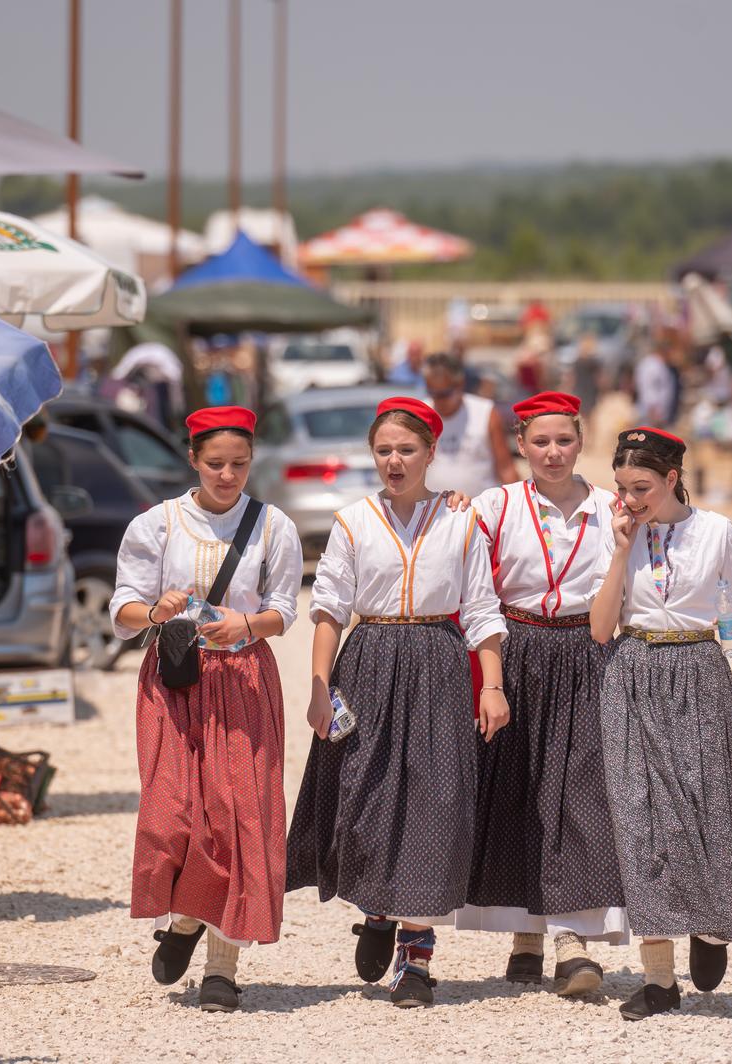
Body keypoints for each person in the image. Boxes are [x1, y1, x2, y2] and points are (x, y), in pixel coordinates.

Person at [285, 396, 509, 1009]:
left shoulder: (461, 520)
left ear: (432, 454)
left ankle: (416, 956)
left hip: (438, 660)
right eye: (383, 449)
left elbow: (483, 608)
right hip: (371, 660)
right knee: (368, 795)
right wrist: (318, 685)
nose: (394, 461)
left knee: (435, 801)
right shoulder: (353, 520)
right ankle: (378, 908)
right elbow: (329, 606)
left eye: (407, 449)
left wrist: (491, 684)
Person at [108, 406, 301, 1014]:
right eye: (215, 464)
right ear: (192, 459)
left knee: (236, 816)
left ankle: (223, 963)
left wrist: (248, 622)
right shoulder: (155, 524)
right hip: (176, 677)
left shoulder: (274, 527)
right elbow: (121, 612)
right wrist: (158, 612)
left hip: (242, 678)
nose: (227, 476)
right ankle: (187, 916)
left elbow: (284, 610)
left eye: (239, 465)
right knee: (173, 815)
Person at [589, 426, 732, 1020]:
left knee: (707, 808)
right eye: (621, 487)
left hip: (698, 670)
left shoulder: (717, 531)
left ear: (672, 478)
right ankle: (659, 979)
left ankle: (714, 925)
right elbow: (599, 626)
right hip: (633, 669)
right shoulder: (617, 532)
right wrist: (620, 549)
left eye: (641, 487)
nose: (630, 499)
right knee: (640, 822)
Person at [456, 392, 627, 996]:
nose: (553, 453)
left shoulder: (612, 509)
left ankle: (572, 943)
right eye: (540, 442)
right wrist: (490, 681)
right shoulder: (492, 507)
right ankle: (525, 934)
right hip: (515, 648)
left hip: (588, 654)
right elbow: (472, 591)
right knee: (518, 790)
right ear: (520, 444)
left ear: (581, 442)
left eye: (564, 441)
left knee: (580, 795)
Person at [422, 351, 518, 496]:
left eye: (444, 394)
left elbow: (505, 468)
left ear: (460, 385)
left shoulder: (485, 413)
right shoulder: (420, 415)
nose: (437, 400)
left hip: (480, 513)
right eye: (432, 393)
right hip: (432, 514)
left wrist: (518, 504)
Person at [632, 346, 675, 429]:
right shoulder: (651, 366)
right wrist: (653, 413)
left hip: (657, 417)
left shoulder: (660, 365)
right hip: (651, 417)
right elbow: (648, 390)